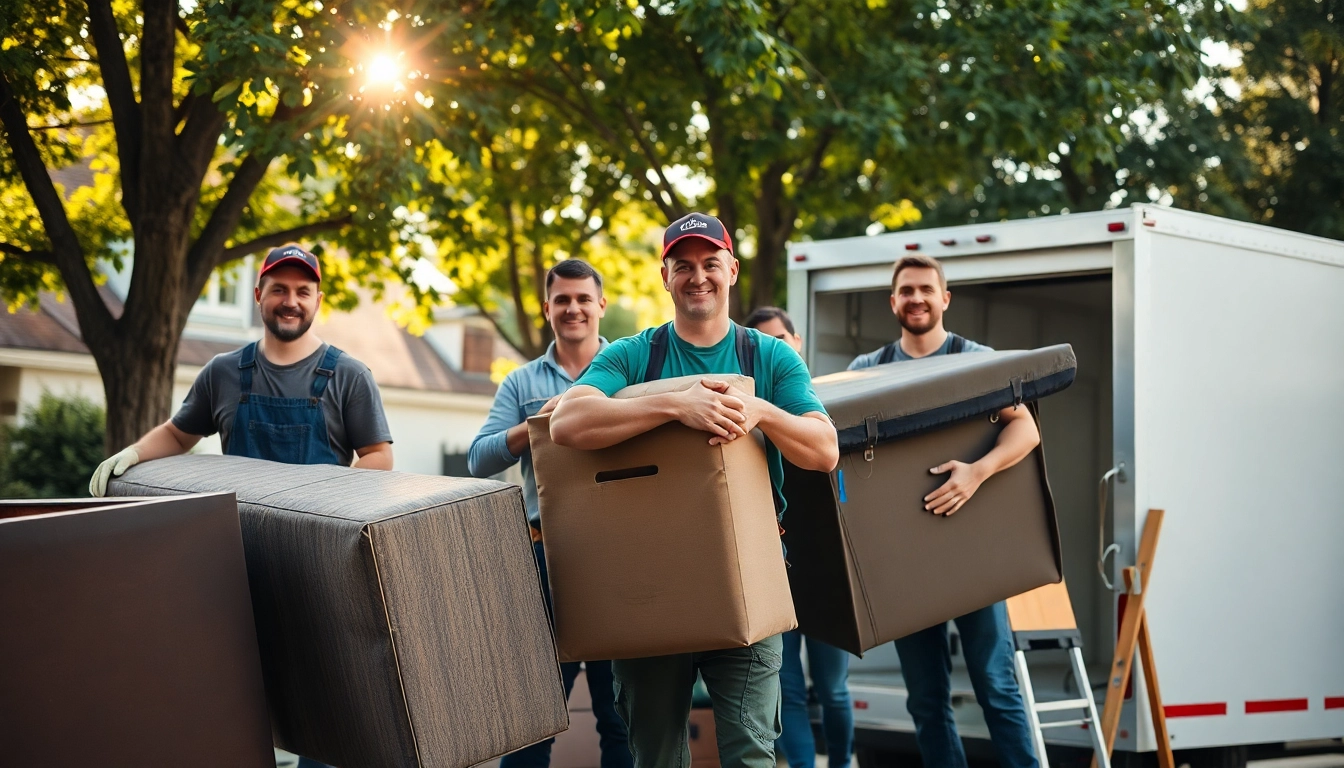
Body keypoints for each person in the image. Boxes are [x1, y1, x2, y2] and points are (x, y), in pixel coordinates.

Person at [548, 213, 839, 768]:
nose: (697, 276)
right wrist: (676, 403)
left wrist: (761, 411)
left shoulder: (769, 357)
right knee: (656, 757)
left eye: (710, 263)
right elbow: (567, 423)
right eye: (683, 266)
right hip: (650, 584)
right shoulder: (635, 355)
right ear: (665, 277)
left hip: (749, 577)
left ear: (732, 269)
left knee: (751, 756)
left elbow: (824, 451)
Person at [88, 244, 393, 768]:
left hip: (317, 565)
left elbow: (379, 458)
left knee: (321, 699)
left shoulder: (349, 375)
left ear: (318, 300)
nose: (291, 301)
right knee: (234, 696)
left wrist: (324, 489)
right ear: (258, 295)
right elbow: (179, 434)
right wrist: (132, 455)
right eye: (279, 289)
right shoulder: (224, 372)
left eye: (303, 291)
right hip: (234, 562)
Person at [848, 254, 1040, 768]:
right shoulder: (866, 372)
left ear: (945, 298)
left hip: (974, 552)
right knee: (926, 700)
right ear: (893, 302)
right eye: (907, 291)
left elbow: (1026, 429)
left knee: (996, 686)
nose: (917, 299)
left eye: (926, 290)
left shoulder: (976, 360)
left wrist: (976, 472)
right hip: (907, 561)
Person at [467, 259, 632, 768]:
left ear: (601, 305)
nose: (573, 308)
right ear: (546, 308)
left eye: (583, 299)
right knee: (533, 719)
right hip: (545, 558)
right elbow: (479, 459)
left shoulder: (631, 369)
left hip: (620, 557)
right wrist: (538, 422)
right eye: (562, 299)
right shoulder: (521, 383)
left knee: (621, 719)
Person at [742, 306, 854, 768]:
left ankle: (841, 762)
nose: (774, 349)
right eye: (763, 342)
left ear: (797, 343)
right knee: (785, 688)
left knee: (833, 687)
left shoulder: (821, 408)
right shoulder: (745, 417)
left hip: (826, 571)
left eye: (781, 340)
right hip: (773, 568)